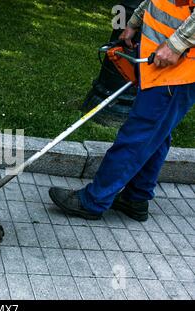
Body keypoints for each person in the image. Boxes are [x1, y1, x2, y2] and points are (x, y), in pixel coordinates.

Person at [49, 0, 195, 222]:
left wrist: (176, 44)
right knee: (156, 132)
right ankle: (136, 197)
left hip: (179, 66)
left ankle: (93, 201)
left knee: (138, 134)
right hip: (162, 59)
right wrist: (135, 21)